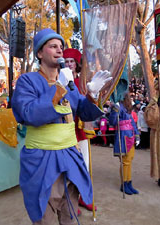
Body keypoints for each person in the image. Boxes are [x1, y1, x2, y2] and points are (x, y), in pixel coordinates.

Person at [11, 28, 111, 225]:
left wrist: (93, 95)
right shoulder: (27, 81)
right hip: (42, 160)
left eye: (61, 47)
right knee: (44, 216)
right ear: (40, 53)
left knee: (70, 215)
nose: (59, 51)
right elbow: (29, 114)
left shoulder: (69, 83)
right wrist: (59, 88)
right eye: (53, 46)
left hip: (70, 158)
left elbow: (85, 112)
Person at [63, 48, 97, 212]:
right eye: (66, 61)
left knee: (85, 165)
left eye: (72, 62)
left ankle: (84, 197)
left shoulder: (83, 82)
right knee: (70, 167)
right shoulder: (60, 82)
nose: (69, 65)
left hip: (81, 129)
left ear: (77, 64)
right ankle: (71, 201)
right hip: (66, 130)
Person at [109, 92, 140, 195]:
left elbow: (132, 124)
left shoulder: (128, 110)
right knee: (125, 161)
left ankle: (129, 183)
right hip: (122, 137)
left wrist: (137, 136)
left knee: (129, 160)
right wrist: (115, 110)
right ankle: (124, 184)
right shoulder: (118, 107)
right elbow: (112, 121)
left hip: (130, 136)